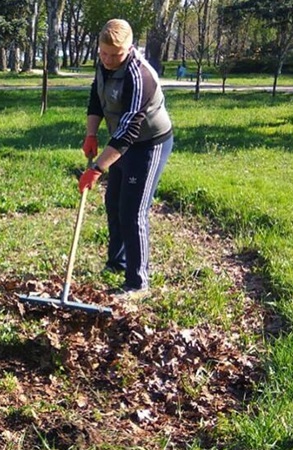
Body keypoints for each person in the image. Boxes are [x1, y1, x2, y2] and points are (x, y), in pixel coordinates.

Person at [78, 18, 173, 301]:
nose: (107, 60)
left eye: (115, 55)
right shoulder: (103, 64)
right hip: (119, 142)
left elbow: (130, 130)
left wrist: (97, 168)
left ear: (130, 48)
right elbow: (96, 99)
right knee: (114, 203)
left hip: (147, 144)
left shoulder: (139, 75)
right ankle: (116, 263)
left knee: (133, 211)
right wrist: (91, 134)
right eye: (103, 53)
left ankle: (137, 283)